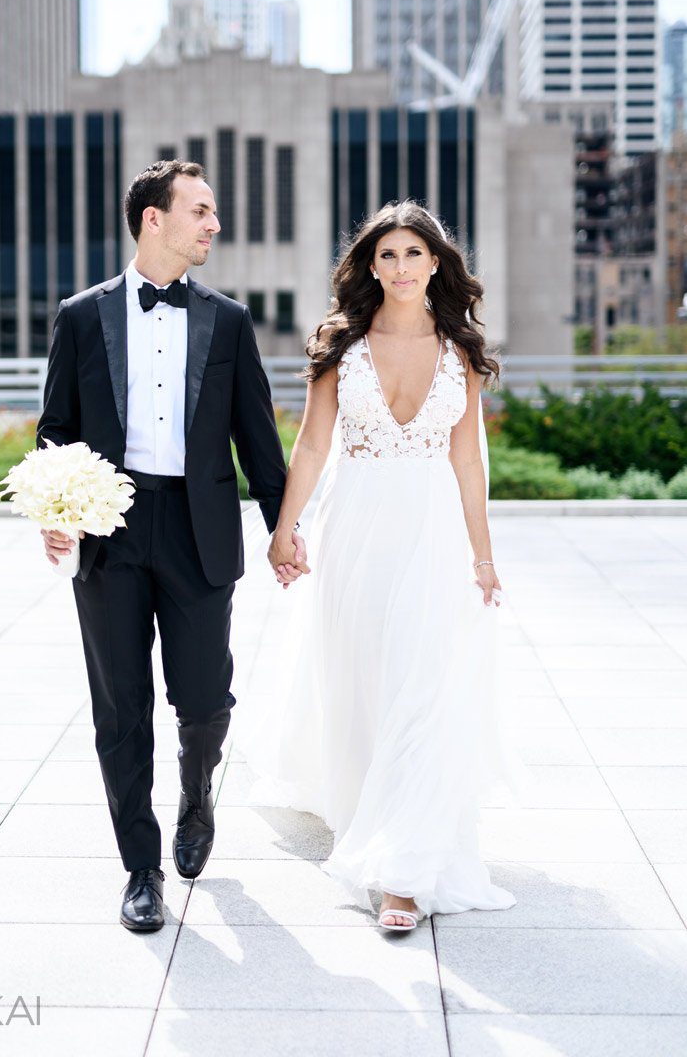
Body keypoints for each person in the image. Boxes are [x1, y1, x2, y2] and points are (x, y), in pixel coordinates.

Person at [37, 160, 307, 933]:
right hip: (110, 537)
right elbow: (56, 428)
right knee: (120, 708)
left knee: (202, 697)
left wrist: (282, 530)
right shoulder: (82, 317)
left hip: (200, 532)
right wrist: (58, 508)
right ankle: (141, 869)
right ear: (153, 219)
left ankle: (197, 793)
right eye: (200, 211)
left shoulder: (229, 321)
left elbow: (258, 438)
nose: (212, 225)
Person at [249, 200, 522, 931]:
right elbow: (309, 447)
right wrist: (286, 529)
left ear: (437, 263)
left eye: (414, 254)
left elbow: (467, 460)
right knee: (363, 680)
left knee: (420, 686)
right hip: (355, 528)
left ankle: (404, 873)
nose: (401, 267)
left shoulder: (459, 350)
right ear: (371, 266)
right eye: (388, 255)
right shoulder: (343, 346)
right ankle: (366, 817)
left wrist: (484, 557)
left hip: (431, 530)